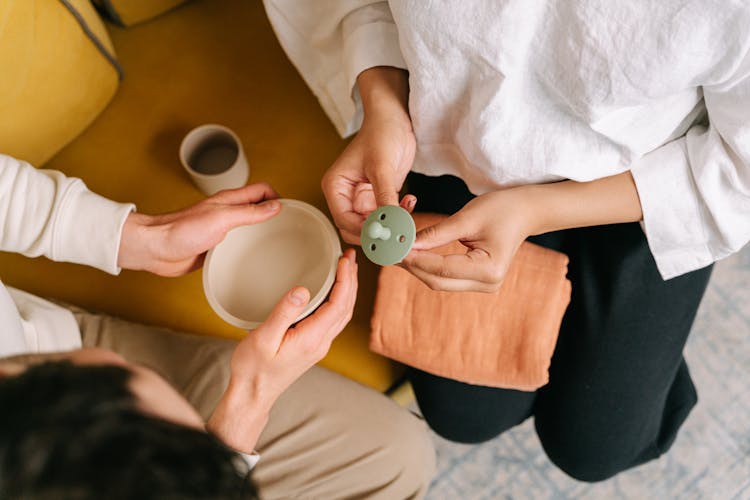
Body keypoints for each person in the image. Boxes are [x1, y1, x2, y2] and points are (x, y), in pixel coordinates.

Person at [263, 0, 750, 482]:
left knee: (595, 448)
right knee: (465, 416)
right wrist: (384, 107)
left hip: (644, 186)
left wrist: (537, 210)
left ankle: (642, 351)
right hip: (460, 148)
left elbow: (739, 170)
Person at [0, 154, 435, 499]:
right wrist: (249, 403)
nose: (119, 359)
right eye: (115, 375)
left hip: (41, 339)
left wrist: (142, 238)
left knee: (398, 456)